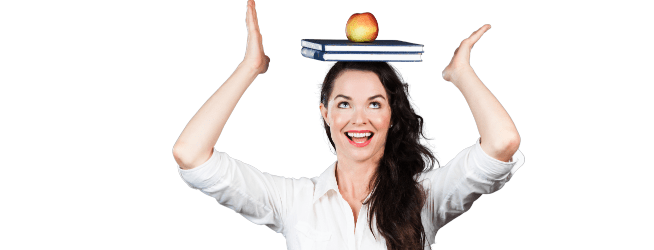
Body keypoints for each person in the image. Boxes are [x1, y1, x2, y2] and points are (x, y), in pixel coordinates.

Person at [173, 0, 524, 249]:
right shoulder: (293, 202)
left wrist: (461, 74)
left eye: (375, 103)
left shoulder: (423, 199)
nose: (359, 119)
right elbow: (190, 154)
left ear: (392, 114)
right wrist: (250, 67)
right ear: (325, 112)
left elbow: (502, 142)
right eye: (344, 104)